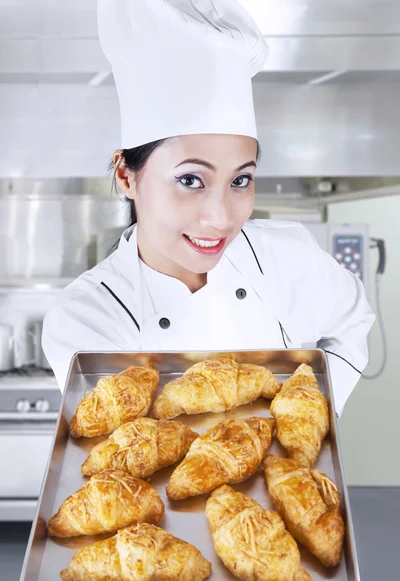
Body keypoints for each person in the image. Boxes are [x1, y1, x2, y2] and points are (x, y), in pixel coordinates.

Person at [42, 0, 375, 417]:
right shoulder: (88, 316)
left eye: (240, 180)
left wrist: (309, 414)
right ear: (127, 176)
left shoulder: (289, 256)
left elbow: (351, 320)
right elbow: (123, 452)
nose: (221, 218)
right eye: (190, 180)